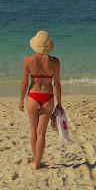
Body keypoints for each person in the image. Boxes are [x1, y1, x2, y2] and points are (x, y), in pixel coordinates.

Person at [18, 30, 62, 170]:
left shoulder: (28, 60)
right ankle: (38, 161)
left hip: (33, 97)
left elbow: (24, 83)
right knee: (41, 132)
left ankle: (35, 162)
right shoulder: (55, 62)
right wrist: (59, 103)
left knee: (33, 130)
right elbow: (56, 84)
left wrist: (20, 100)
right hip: (48, 97)